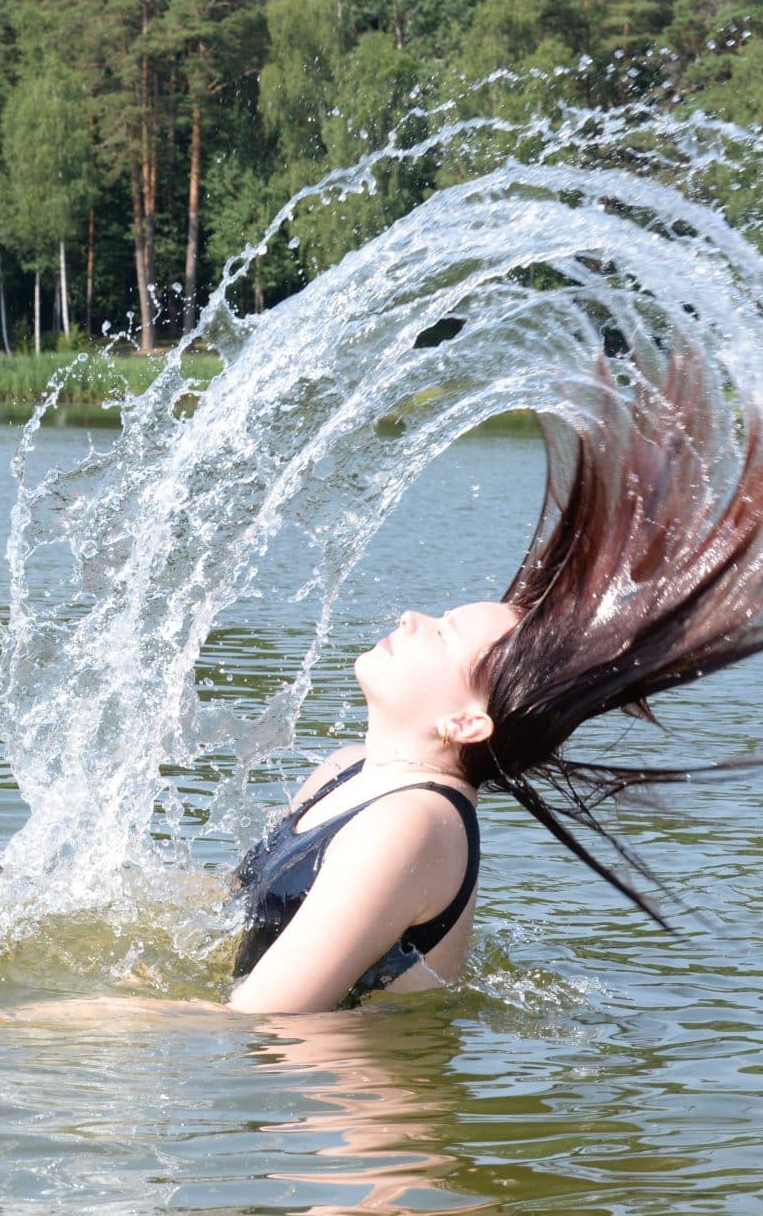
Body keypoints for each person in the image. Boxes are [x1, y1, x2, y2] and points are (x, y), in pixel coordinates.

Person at [229, 342, 763, 1012]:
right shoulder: (345, 770)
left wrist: (98, 1019)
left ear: (465, 722)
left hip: (333, 1077)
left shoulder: (412, 824)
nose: (414, 618)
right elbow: (237, 917)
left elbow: (263, 1016)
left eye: (444, 633)